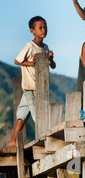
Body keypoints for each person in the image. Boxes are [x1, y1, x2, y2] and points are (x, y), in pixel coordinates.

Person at [8, 16, 56, 147]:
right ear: (32, 31)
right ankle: (44, 138)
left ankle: (12, 140)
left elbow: (53, 66)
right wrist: (31, 62)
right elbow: (17, 61)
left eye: (45, 27)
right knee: (38, 114)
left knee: (22, 115)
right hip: (30, 87)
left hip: (40, 87)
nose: (44, 30)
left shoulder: (45, 47)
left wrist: (50, 58)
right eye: (40, 28)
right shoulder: (29, 46)